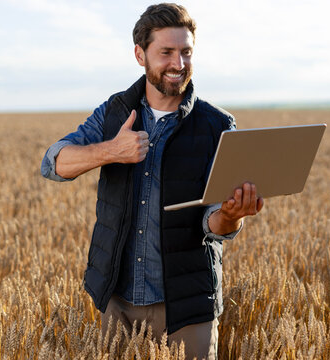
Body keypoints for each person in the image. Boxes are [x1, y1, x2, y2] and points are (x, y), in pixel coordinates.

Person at [41, 3, 263, 359]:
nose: (178, 64)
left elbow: (214, 222)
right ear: (140, 55)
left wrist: (234, 214)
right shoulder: (114, 112)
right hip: (117, 302)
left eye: (186, 52)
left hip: (187, 305)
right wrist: (111, 151)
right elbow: (53, 163)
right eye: (166, 53)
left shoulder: (216, 125)